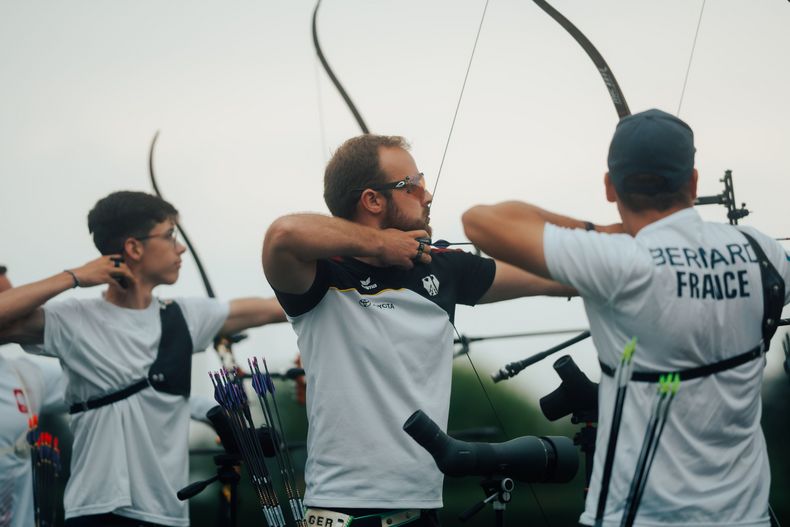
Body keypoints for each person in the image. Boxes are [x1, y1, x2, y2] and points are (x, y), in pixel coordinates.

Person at [462, 108, 790, 526]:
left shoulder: (616, 261)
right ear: (693, 181)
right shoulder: (763, 253)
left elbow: (481, 221)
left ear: (608, 187)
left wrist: (602, 231)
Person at [262, 134, 575, 527]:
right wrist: (380, 245)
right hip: (341, 511)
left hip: (421, 510)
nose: (427, 195)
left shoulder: (442, 266)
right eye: (413, 185)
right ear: (373, 201)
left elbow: (555, 277)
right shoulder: (321, 274)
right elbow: (282, 235)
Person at [0, 191, 286, 527]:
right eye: (169, 236)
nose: (179, 248)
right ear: (134, 248)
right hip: (99, 510)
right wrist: (74, 276)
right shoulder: (74, 319)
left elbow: (273, 308)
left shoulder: (185, 316)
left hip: (170, 512)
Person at [0, 265, 67, 527]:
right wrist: (74, 277)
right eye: (7, 302)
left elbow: (104, 382)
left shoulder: (25, 376)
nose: (18, 310)